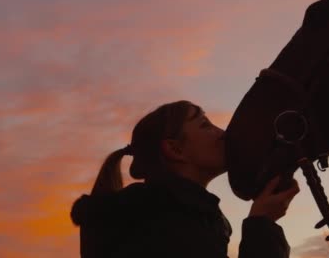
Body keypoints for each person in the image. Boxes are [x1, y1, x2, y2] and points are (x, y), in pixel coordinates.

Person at [70, 100, 300, 258]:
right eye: (205, 125)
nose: (223, 134)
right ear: (175, 149)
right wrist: (262, 224)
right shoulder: (160, 221)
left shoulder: (183, 215)